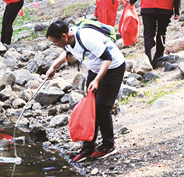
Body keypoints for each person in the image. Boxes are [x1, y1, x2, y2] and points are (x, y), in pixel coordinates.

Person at [45, 19, 126, 161]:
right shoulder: (68, 42)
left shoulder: (86, 37)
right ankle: (88, 147)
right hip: (96, 69)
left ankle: (109, 145)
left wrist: (97, 80)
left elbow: (107, 58)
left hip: (113, 68)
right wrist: (54, 67)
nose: (55, 45)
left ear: (64, 36)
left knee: (102, 107)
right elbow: (67, 53)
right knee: (90, 107)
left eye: (55, 42)